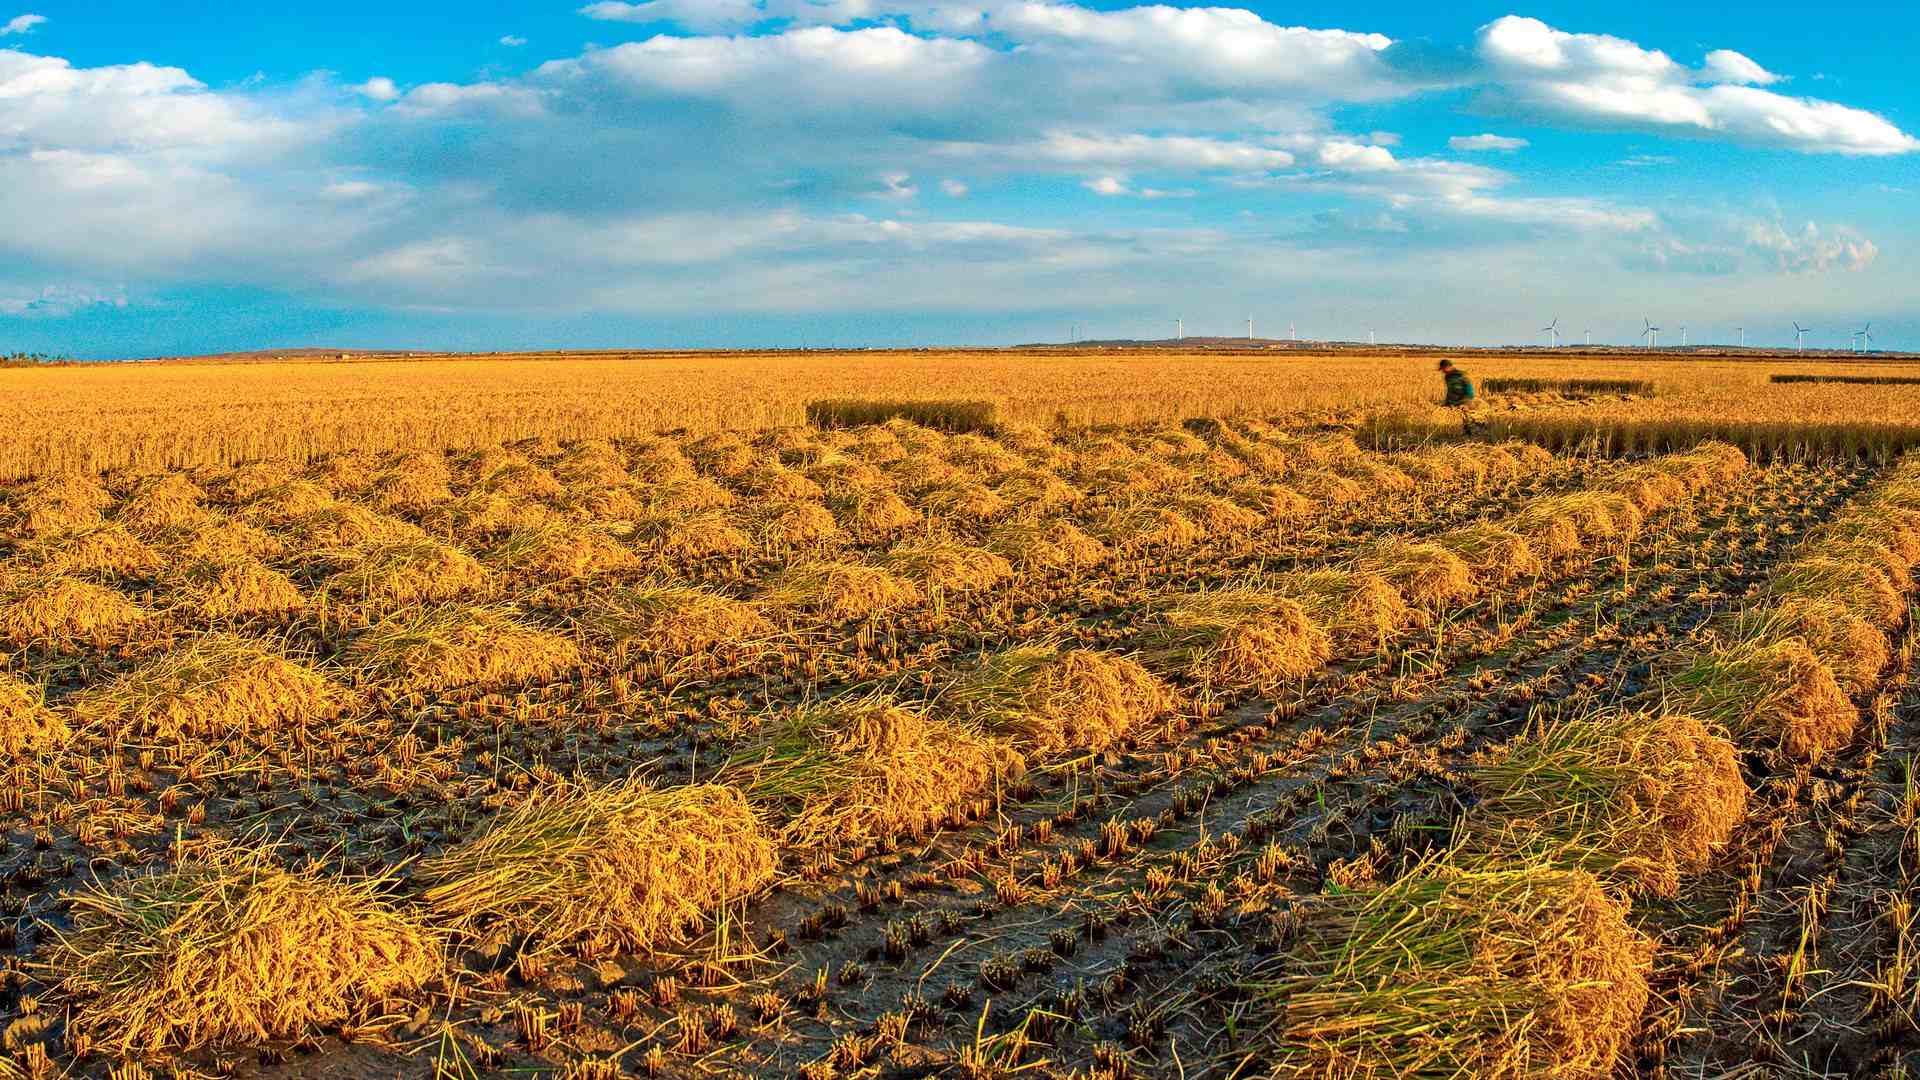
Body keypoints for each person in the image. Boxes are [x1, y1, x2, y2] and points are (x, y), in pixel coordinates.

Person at [1438, 358, 1481, 434]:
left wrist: (1465, 403)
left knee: (1466, 420)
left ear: (1448, 367)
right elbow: (1450, 390)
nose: (1443, 371)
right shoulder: (1447, 377)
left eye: (1443, 369)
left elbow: (1470, 391)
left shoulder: (1461, 375)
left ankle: (1470, 433)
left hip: (1463, 402)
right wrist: (1446, 402)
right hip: (1453, 402)